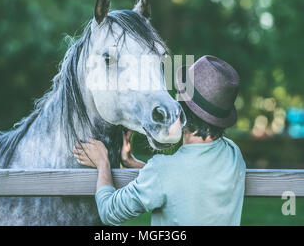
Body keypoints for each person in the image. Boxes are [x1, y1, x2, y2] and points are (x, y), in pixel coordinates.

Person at [74, 55, 246, 226]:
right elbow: (185, 181)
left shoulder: (163, 170)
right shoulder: (233, 155)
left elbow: (109, 212)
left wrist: (102, 163)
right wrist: (134, 163)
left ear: (182, 108)